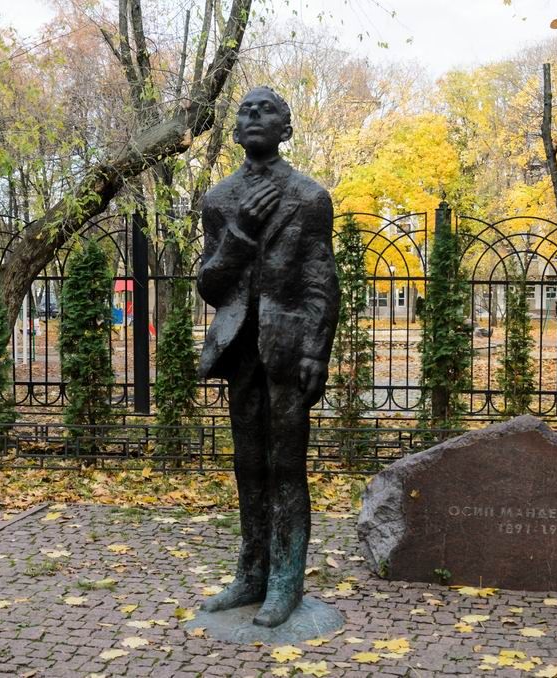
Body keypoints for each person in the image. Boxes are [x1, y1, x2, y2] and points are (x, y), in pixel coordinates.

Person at [196, 86, 339, 627]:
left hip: (287, 350)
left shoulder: (309, 196)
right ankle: (250, 574)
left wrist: (316, 352)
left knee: (286, 466)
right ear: (234, 131)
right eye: (246, 111)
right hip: (241, 353)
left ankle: (285, 582)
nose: (254, 117)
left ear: (286, 127)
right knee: (248, 465)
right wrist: (238, 236)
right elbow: (210, 285)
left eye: (267, 111)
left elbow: (321, 281)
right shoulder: (220, 199)